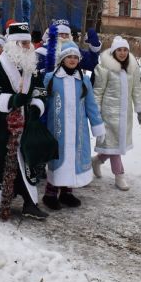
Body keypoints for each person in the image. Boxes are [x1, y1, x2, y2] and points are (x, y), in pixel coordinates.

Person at [0, 23, 48, 220]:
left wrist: (36, 107)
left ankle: (30, 202)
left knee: (27, 161)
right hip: (4, 124)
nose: (28, 46)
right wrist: (11, 101)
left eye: (29, 43)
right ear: (13, 44)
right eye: (23, 43)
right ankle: (1, 199)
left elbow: (40, 91)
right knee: (4, 161)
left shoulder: (31, 67)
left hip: (27, 124)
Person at [42, 41, 105, 210]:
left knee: (74, 159)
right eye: (69, 57)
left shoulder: (84, 81)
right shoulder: (51, 79)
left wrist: (97, 125)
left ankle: (67, 193)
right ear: (62, 59)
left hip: (78, 130)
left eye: (75, 57)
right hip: (57, 129)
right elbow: (43, 104)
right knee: (58, 160)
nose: (72, 60)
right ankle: (50, 194)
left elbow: (91, 105)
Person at [92, 36, 141, 191]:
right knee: (114, 146)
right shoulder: (104, 68)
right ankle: (119, 175)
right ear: (114, 51)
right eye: (119, 50)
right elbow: (98, 92)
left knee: (114, 146)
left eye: (125, 50)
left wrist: (140, 111)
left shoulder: (133, 68)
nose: (122, 53)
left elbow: (136, 90)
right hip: (108, 114)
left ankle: (97, 161)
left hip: (125, 114)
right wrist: (96, 115)